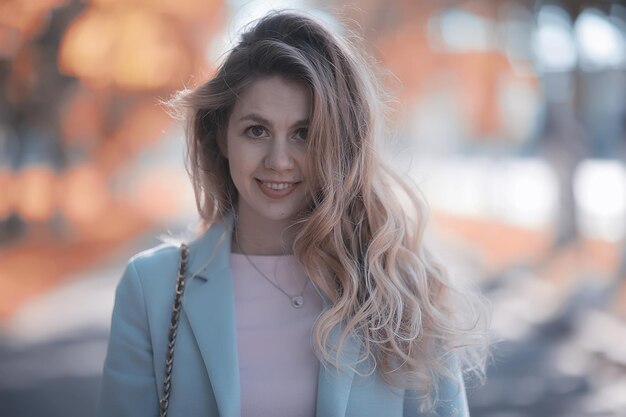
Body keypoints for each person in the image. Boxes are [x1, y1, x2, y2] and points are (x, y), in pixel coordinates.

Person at [96, 10, 489, 417]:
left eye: (304, 133)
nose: (279, 160)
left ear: (340, 144)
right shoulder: (151, 290)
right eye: (256, 130)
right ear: (222, 136)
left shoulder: (403, 288)